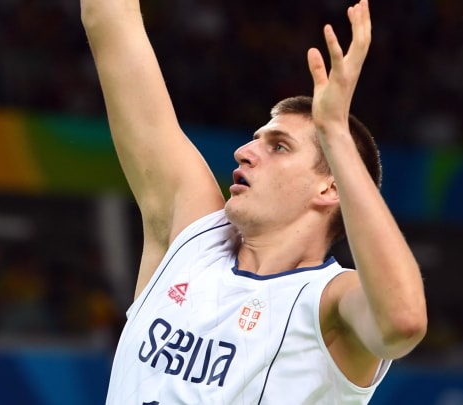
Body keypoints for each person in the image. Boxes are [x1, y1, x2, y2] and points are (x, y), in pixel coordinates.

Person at [80, 0, 427, 403]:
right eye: (256, 138)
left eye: (279, 147)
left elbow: (402, 320)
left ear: (330, 188)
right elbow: (110, 18)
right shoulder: (191, 236)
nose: (244, 151)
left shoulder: (330, 300)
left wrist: (334, 131)